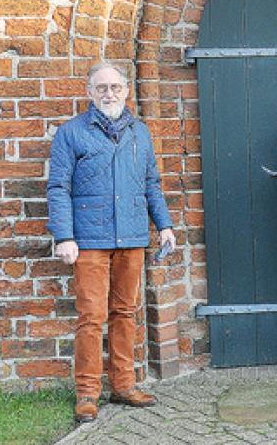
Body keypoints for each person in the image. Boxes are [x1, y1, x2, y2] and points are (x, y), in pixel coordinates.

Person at [47, 62, 176, 422]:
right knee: (91, 316)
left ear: (126, 91)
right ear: (90, 92)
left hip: (132, 236)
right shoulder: (71, 133)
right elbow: (58, 188)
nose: (109, 93)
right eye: (101, 87)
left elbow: (152, 183)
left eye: (115, 87)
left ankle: (123, 385)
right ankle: (87, 392)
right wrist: (65, 236)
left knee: (125, 312)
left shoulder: (141, 132)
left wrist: (163, 225)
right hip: (88, 240)